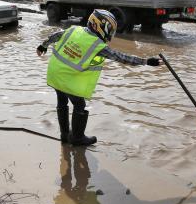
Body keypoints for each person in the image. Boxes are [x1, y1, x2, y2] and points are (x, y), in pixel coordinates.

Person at [36, 9, 161, 146]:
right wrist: (146, 61)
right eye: (110, 30)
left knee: (62, 103)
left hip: (55, 74)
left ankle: (64, 135)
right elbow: (122, 57)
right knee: (79, 105)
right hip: (67, 78)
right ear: (102, 28)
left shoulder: (74, 30)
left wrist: (43, 45)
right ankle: (77, 138)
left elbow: (56, 35)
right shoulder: (98, 45)